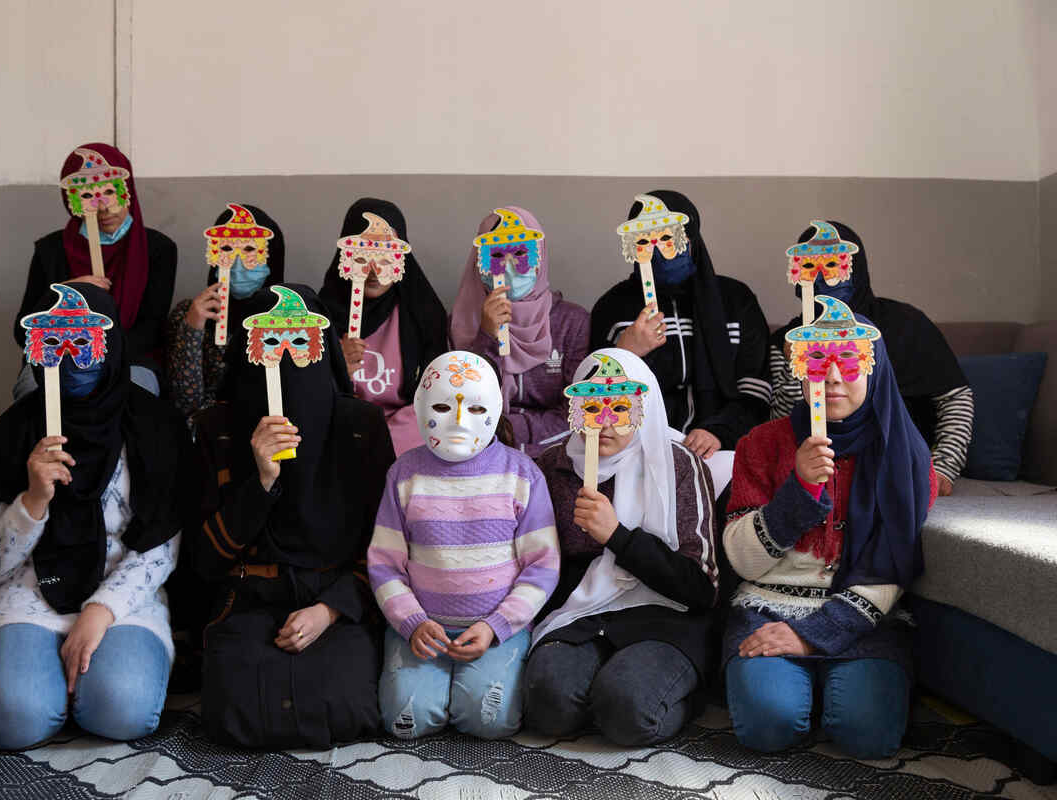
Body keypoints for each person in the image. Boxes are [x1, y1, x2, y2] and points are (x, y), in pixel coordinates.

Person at [0, 284, 189, 750]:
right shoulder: (12, 433)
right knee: (14, 723)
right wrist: (31, 504)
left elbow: (161, 549)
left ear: (113, 343)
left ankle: (81, 687)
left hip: (124, 602)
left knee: (121, 711)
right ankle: (40, 687)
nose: (71, 357)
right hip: (27, 601)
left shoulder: (155, 427)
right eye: (56, 343)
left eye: (84, 342)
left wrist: (100, 613)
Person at [722, 298, 937, 758]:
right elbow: (741, 558)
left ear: (874, 369)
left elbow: (890, 568)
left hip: (863, 619)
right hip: (769, 609)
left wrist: (811, 635)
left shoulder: (906, 456)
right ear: (800, 370)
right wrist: (798, 489)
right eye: (817, 362)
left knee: (868, 734)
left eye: (849, 363)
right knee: (769, 725)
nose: (833, 377)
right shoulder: (760, 444)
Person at [194, 285, 395, 750]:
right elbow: (203, 561)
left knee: (346, 708)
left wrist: (329, 611)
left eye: (300, 346)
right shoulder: (218, 429)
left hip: (337, 598)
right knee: (235, 714)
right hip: (248, 596)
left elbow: (384, 546)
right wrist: (261, 482)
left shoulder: (360, 427)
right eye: (270, 346)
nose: (285, 363)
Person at [524, 349, 719, 745]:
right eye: (592, 405)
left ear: (643, 408)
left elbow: (700, 589)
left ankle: (674, 693)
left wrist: (617, 535)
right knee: (548, 705)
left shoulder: (678, 464)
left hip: (663, 615)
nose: (606, 422)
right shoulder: (551, 466)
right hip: (578, 615)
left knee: (628, 710)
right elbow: (537, 562)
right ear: (575, 408)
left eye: (622, 407)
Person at [369, 351, 560, 739]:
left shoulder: (522, 475)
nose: (458, 421)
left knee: (489, 722)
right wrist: (412, 623)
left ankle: (464, 692)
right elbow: (384, 563)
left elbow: (542, 565)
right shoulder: (404, 474)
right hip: (421, 629)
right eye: (442, 405)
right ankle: (438, 693)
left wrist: (496, 626)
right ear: (420, 407)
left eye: (475, 408)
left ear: (495, 408)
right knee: (407, 722)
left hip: (497, 630)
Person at [769, 220, 973, 495]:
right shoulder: (789, 339)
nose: (823, 277)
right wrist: (795, 367)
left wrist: (943, 469)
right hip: (818, 471)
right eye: (810, 265)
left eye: (833, 264)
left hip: (897, 464)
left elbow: (955, 397)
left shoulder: (904, 324)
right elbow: (781, 423)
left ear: (856, 267)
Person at [590, 192, 770, 459]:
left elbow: (756, 389)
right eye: (645, 241)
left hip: (724, 449)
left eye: (668, 238)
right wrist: (626, 352)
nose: (659, 252)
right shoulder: (613, 307)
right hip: (637, 451)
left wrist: (719, 431)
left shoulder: (736, 301)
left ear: (691, 237)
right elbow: (593, 399)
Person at [13, 143, 177, 397]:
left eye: (110, 192)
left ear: (128, 190)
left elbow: (150, 330)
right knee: (31, 392)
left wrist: (103, 362)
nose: (103, 208)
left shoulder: (158, 249)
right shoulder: (50, 250)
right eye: (88, 196)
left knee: (139, 393)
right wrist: (65, 291)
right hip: (57, 361)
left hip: (131, 360)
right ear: (71, 201)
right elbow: (22, 331)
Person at [450, 207, 590, 457]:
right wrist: (485, 336)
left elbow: (576, 410)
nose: (509, 266)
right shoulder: (461, 323)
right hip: (480, 453)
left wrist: (512, 434)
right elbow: (462, 400)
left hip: (555, 455)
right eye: (496, 255)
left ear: (540, 257)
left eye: (521, 253)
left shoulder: (572, 323)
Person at [320, 198, 449, 455]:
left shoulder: (423, 313)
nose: (374, 271)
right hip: (342, 431)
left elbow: (434, 394)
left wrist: (386, 441)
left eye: (385, 257)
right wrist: (335, 365)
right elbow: (309, 398)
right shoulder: (320, 315)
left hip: (405, 436)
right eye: (362, 256)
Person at [165, 203, 284, 418]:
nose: (238, 263)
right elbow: (186, 404)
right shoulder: (188, 313)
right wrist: (192, 330)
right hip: (208, 433)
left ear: (271, 257)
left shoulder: (290, 320)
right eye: (228, 249)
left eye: (249, 249)